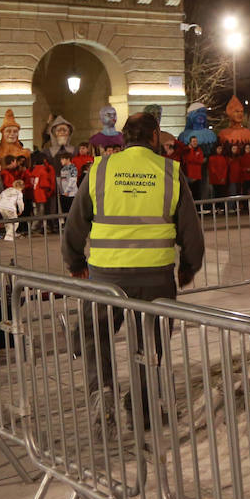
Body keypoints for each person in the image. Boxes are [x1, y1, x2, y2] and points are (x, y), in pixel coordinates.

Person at [61, 112, 204, 422]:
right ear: (154, 136)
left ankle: (103, 392)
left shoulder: (101, 170)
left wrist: (75, 261)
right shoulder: (169, 171)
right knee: (149, 343)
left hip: (105, 274)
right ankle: (144, 405)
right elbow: (190, 228)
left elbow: (75, 221)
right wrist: (189, 267)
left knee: (94, 333)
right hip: (155, 274)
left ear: (124, 138)